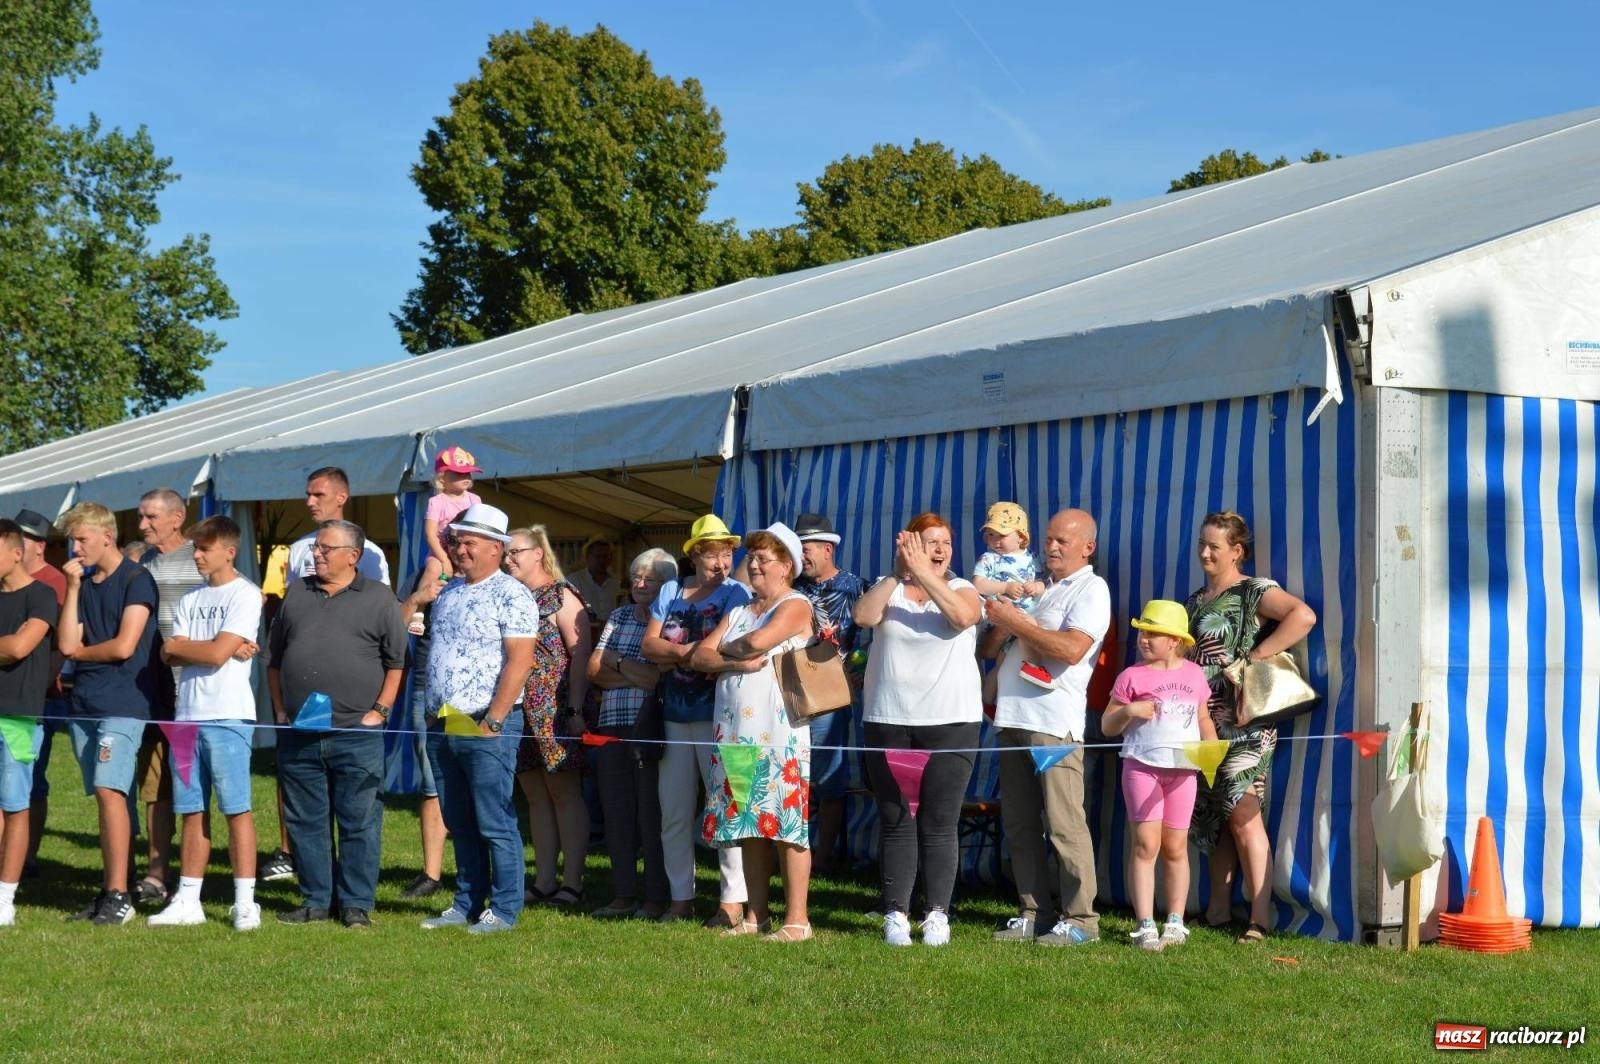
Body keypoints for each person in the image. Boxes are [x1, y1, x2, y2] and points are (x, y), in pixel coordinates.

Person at [1186, 511, 1317, 944]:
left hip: (1244, 718)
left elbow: (1303, 616)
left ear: (1237, 552)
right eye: (1202, 544)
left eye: (1214, 546)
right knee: (1216, 813)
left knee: (1243, 812)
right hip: (1201, 721)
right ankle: (1218, 909)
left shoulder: (1252, 590)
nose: (1205, 552)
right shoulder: (1195, 600)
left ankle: (1260, 917)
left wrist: (1256, 658)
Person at [268, 519, 406, 927]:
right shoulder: (296, 594)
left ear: (353, 556)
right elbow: (274, 662)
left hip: (356, 733)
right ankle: (315, 900)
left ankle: (355, 904)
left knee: (359, 820)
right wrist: (279, 710)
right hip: (299, 731)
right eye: (317, 548)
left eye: (327, 548)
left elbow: (396, 662)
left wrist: (378, 712)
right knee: (304, 820)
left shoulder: (380, 598)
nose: (318, 554)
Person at [982, 508, 1111, 946]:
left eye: (1063, 542)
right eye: (1049, 540)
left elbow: (1071, 650)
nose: (1051, 548)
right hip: (1012, 717)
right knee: (1019, 824)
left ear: (1087, 548)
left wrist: (1016, 621)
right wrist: (1003, 622)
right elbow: (987, 646)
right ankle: (1034, 911)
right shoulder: (1040, 588)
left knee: (1063, 825)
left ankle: (1081, 921)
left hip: (1055, 725)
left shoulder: (1092, 589)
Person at [854, 512, 983, 946]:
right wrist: (897, 573)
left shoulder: (963, 588)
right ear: (909, 544)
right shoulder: (887, 587)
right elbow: (862, 617)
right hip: (889, 721)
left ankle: (938, 914)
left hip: (952, 723)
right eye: (931, 541)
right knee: (895, 819)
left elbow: (963, 617)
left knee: (939, 822)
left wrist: (926, 575)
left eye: (946, 541)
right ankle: (895, 913)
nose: (941, 548)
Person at [418, 503, 538, 934]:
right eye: (457, 541)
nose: (460, 549)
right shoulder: (449, 591)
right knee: (459, 819)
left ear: (495, 548)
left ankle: (504, 908)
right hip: (444, 720)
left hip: (487, 722)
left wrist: (494, 721)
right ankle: (466, 902)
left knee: (494, 819)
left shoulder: (512, 594)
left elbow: (520, 661)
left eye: (469, 542)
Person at [694, 523, 816, 942]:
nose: (756, 565)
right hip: (734, 732)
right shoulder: (738, 611)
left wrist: (726, 653)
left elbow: (758, 642)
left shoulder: (796, 604)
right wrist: (730, 661)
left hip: (778, 734)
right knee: (748, 825)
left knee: (786, 825)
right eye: (754, 558)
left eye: (766, 558)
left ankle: (797, 919)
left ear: (787, 566)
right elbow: (699, 656)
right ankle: (755, 915)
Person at [148, 517, 264, 931]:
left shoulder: (246, 595)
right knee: (191, 810)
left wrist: (191, 648)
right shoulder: (189, 600)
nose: (196, 556)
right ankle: (188, 899)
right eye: (195, 549)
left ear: (229, 552)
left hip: (228, 714)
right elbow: (169, 653)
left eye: (203, 549)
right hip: (186, 718)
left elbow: (214, 654)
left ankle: (245, 901)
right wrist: (208, 648)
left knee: (236, 809)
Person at [55, 502, 163, 925]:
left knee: (107, 790)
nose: (75, 548)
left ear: (106, 536)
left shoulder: (137, 580)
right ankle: (111, 887)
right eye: (72, 540)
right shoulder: (84, 583)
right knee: (110, 796)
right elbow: (66, 644)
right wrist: (74, 590)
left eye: (81, 539)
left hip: (124, 704)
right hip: (84, 703)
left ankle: (118, 894)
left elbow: (124, 645)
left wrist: (82, 653)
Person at [641, 514, 750, 927]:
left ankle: (731, 902)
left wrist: (678, 651)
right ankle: (680, 897)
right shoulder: (671, 589)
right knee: (674, 810)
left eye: (726, 553)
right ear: (694, 556)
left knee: (724, 807)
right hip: (673, 713)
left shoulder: (737, 593)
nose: (721, 562)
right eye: (712, 554)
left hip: (719, 714)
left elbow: (728, 648)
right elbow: (650, 646)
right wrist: (693, 655)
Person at [1100, 600, 1218, 950]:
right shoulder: (1131, 676)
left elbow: (1203, 718)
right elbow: (1107, 725)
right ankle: (1145, 923)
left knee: (1176, 847)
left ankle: (1176, 922)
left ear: (1175, 641)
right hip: (1142, 769)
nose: (1144, 639)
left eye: (1153, 633)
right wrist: (1130, 710)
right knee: (1145, 845)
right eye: (1142, 632)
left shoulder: (1194, 675)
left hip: (1183, 773)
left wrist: (1212, 748)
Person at [586, 547, 677, 919]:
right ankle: (622, 894)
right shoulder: (621, 614)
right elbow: (594, 670)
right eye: (636, 577)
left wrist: (617, 662)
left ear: (666, 585)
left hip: (651, 725)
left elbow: (659, 678)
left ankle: (656, 897)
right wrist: (634, 669)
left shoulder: (671, 619)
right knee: (617, 812)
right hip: (612, 724)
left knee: (652, 815)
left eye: (649, 579)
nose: (639, 584)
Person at [506, 525, 592, 909]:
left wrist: (574, 708)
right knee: (534, 796)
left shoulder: (562, 596)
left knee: (563, 793)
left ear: (538, 552)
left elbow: (580, 655)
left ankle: (573, 881)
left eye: (516, 552)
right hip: (516, 707)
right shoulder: (509, 597)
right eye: (506, 553)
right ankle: (543, 879)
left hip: (554, 708)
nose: (509, 559)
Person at [131, 487, 197, 907]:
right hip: (154, 690)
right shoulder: (141, 566)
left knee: (191, 782)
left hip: (195, 690)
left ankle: (194, 875)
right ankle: (157, 872)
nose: (142, 526)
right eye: (141, 517)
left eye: (151, 517)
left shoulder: (203, 558)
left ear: (177, 517)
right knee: (155, 784)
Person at [791, 513, 867, 877]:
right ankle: (794, 852)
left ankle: (823, 857)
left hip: (832, 695)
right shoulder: (790, 586)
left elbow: (871, 635)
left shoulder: (855, 586)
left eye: (804, 549)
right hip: (790, 688)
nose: (799, 556)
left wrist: (862, 670)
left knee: (829, 775)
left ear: (827, 548)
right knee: (793, 772)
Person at [0, 519, 60, 927]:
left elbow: (21, 646)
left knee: (15, 804)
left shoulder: (41, 596)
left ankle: (6, 897)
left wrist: (12, 645)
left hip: (20, 717)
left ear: (16, 552)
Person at [13, 509, 65, 880]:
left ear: (38, 545)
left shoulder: (53, 584)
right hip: (8, 694)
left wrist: (42, 683)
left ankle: (27, 857)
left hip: (39, 697)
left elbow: (58, 648)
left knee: (32, 781)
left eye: (22, 538)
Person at [395, 571, 448, 899]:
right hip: (425, 689)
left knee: (475, 781)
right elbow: (394, 627)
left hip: (472, 695)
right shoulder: (423, 575)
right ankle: (431, 874)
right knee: (431, 783)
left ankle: (481, 871)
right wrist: (417, 597)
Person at [972, 502, 1046, 706]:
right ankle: (986, 698)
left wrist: (1036, 587)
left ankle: (991, 699)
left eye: (1001, 535)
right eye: (990, 535)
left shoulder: (1032, 558)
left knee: (1007, 660)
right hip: (999, 616)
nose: (994, 541)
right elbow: (978, 583)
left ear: (1021, 536)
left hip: (1025, 615)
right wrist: (1004, 587)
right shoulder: (989, 559)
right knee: (1001, 659)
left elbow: (1043, 581)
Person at [410, 446, 483, 633]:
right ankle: (419, 612)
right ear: (443, 478)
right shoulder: (437, 501)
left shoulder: (474, 499)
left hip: (466, 549)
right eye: (459, 474)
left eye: (468, 474)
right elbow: (430, 533)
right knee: (434, 568)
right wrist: (443, 559)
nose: (466, 477)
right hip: (441, 550)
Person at [567, 537, 620, 633]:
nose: (602, 560)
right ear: (587, 557)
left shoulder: (617, 581)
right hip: (583, 636)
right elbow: (568, 611)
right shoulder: (574, 580)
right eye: (598, 556)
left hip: (612, 638)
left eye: (605, 556)